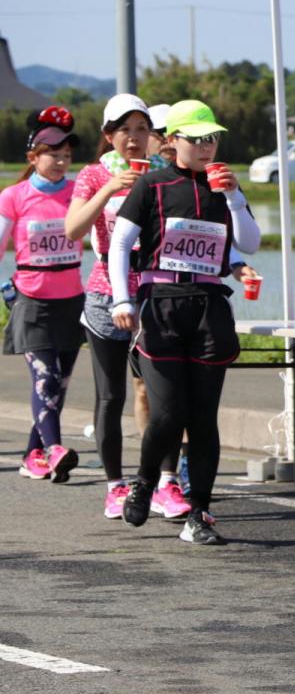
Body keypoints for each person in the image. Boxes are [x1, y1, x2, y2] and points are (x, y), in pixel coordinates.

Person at [107, 99, 261, 546]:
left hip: (209, 306)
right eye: (196, 139)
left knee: (203, 416)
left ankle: (200, 512)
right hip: (161, 304)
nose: (207, 146)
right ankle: (143, 481)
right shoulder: (152, 185)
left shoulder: (224, 187)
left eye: (212, 138)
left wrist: (234, 196)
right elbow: (120, 245)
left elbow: (248, 243)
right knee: (169, 411)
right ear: (172, 141)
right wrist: (122, 298)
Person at [66, 93, 191, 521]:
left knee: (165, 395)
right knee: (111, 395)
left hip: (155, 291)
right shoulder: (91, 175)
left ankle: (166, 483)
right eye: (125, 131)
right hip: (104, 294)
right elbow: (71, 230)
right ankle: (115, 487)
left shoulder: (161, 172)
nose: (135, 139)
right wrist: (107, 189)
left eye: (142, 130)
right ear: (108, 136)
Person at [0, 107, 84, 484]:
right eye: (53, 154)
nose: (61, 161)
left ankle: (32, 455)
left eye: (67, 154)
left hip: (72, 299)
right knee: (45, 379)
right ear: (33, 157)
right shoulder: (13, 197)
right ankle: (54, 450)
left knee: (60, 385)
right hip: (31, 300)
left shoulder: (79, 192)